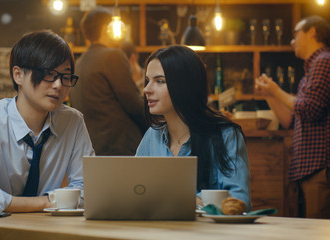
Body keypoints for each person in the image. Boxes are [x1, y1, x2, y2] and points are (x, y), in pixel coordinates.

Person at [0, 30, 94, 214]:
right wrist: (48, 203)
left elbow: (88, 189)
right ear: (18, 75)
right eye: (48, 73)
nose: (58, 85)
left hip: (35, 228)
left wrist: (46, 203)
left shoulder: (72, 122)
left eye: (65, 76)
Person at [136, 45, 251, 210]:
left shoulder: (225, 135)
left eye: (159, 81)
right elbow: (134, 192)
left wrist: (188, 201)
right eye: (148, 81)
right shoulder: (152, 136)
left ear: (185, 85)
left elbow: (240, 202)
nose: (147, 89)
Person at [255, 15, 330, 219]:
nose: (292, 40)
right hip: (312, 169)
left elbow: (309, 109)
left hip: (321, 168)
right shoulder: (311, 70)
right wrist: (269, 94)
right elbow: (291, 120)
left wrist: (276, 90)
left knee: (319, 231)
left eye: (296, 33)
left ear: (312, 32)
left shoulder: (324, 62)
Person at [69, 7, 147, 156]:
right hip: (121, 147)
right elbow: (133, 104)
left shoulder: (79, 63)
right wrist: (157, 128)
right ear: (106, 29)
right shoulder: (112, 56)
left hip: (92, 147)